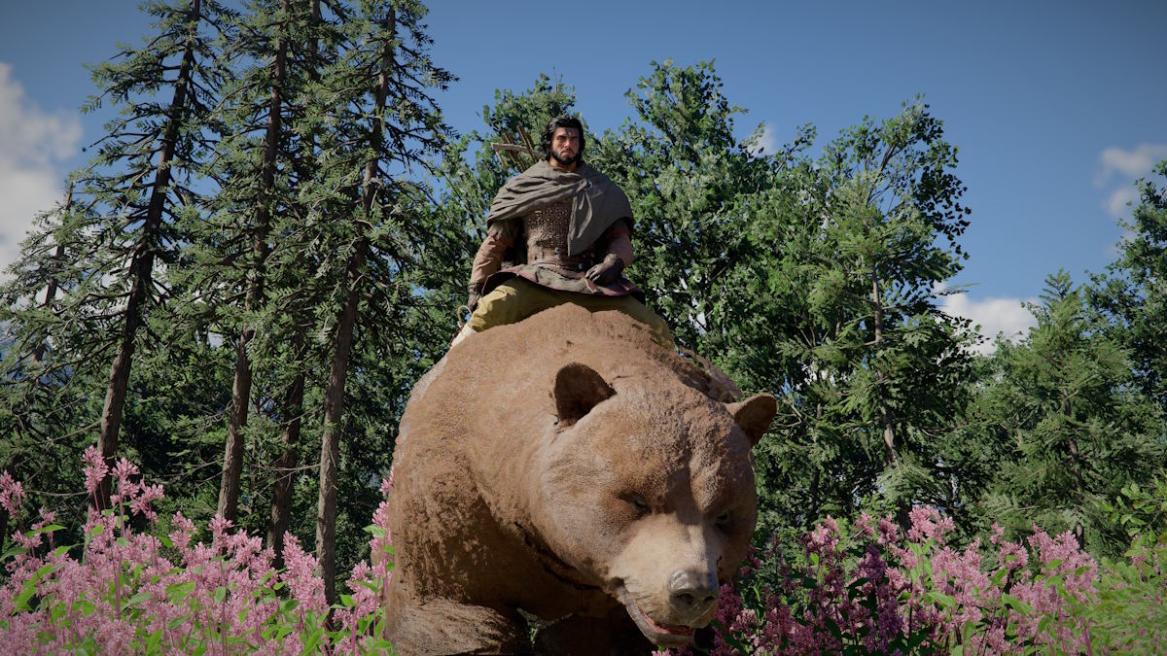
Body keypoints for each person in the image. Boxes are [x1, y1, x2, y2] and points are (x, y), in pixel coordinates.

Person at [454, 115, 672, 347]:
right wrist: (476, 289)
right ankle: (450, 368)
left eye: (574, 139)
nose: (568, 144)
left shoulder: (601, 189)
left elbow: (620, 239)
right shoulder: (522, 187)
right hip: (535, 280)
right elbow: (495, 244)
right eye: (562, 139)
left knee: (655, 326)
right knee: (490, 312)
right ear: (549, 143)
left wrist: (613, 263)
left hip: (589, 283)